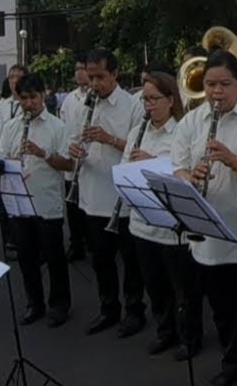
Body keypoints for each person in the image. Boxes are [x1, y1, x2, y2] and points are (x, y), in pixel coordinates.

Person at [175, 50, 237, 386]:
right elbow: (177, 168)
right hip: (209, 237)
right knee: (222, 310)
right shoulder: (191, 121)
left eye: (224, 84)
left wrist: (234, 161)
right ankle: (233, 363)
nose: (216, 91)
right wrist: (189, 178)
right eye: (210, 84)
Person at [68, 49, 147, 337]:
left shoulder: (132, 105)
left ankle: (135, 311)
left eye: (100, 77)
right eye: (91, 78)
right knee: (100, 260)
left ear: (115, 74)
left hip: (122, 197)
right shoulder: (81, 105)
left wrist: (108, 139)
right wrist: (74, 149)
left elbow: (138, 147)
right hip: (91, 194)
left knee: (130, 261)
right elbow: (72, 138)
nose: (94, 84)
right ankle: (108, 308)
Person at [125, 72, 202, 360]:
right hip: (142, 224)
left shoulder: (183, 130)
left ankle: (189, 337)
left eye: (154, 99)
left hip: (173, 226)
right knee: (154, 285)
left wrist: (151, 163)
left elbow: (186, 169)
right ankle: (165, 331)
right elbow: (124, 168)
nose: (148, 105)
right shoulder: (137, 132)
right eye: (145, 99)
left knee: (183, 288)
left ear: (171, 100)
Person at [0, 72, 73, 327]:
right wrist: (10, 166)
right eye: (23, 99)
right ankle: (34, 303)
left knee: (54, 258)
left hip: (47, 203)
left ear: (44, 95)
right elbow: (0, 158)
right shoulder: (11, 127)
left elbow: (67, 164)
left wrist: (42, 154)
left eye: (33, 97)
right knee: (26, 258)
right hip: (19, 202)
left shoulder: (57, 127)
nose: (28, 104)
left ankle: (60, 304)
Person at [59, 56, 95, 262]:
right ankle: (76, 243)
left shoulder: (96, 95)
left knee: (88, 205)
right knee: (72, 207)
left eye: (82, 68)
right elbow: (65, 129)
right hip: (72, 157)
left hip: (90, 158)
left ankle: (91, 241)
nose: (79, 72)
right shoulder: (69, 99)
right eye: (77, 69)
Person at [0, 64, 28, 134]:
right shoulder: (4, 105)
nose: (15, 81)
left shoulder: (31, 104)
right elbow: (0, 134)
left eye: (18, 77)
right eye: (11, 77)